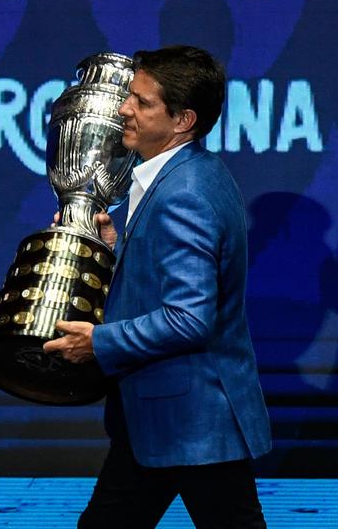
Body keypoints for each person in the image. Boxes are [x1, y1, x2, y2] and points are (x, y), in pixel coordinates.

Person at [43, 45, 272, 528]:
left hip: (189, 419)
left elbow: (189, 318)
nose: (124, 108)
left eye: (142, 102)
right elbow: (165, 278)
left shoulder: (183, 193)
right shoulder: (191, 174)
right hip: (172, 414)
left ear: (182, 119)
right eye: (129, 95)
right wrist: (110, 250)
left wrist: (98, 341)